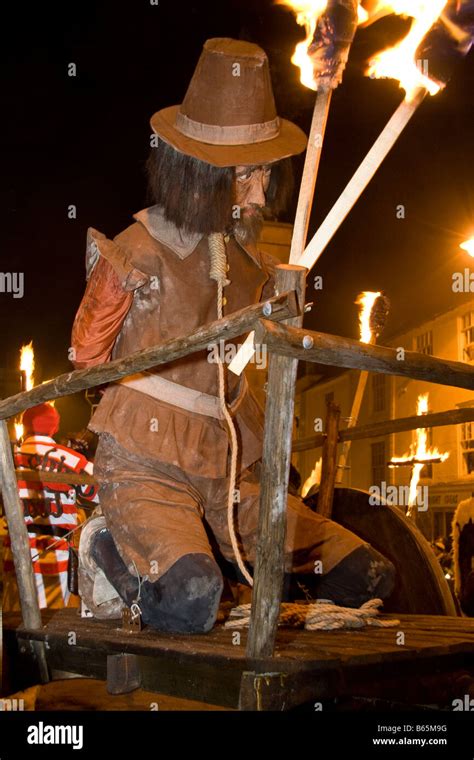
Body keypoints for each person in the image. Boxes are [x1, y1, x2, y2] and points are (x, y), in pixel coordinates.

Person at [71, 38, 395, 633]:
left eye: (263, 172)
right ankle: (110, 549)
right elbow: (86, 354)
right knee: (192, 598)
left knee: (365, 575)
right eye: (246, 173)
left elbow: (259, 356)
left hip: (229, 472)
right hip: (146, 463)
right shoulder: (137, 248)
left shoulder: (255, 267)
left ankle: (223, 567)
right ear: (202, 173)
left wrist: (283, 308)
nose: (259, 189)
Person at [2, 403, 98, 610]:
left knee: (15, 618)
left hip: (13, 555)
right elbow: (100, 492)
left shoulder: (7, 458)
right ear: (54, 428)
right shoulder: (69, 458)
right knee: (51, 621)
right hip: (55, 555)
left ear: (24, 426)